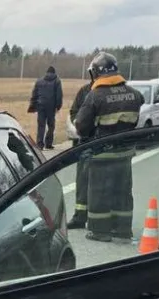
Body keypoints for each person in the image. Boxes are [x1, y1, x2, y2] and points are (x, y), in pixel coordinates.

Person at [73, 52, 144, 243]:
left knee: (99, 193)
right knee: (123, 192)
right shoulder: (134, 94)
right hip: (125, 154)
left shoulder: (95, 96)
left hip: (102, 154)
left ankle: (100, 231)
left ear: (96, 73)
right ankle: (122, 230)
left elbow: (81, 126)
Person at [66, 79, 95, 229]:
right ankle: (80, 216)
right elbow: (73, 112)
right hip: (85, 144)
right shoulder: (85, 91)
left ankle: (104, 221)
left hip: (106, 146)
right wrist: (80, 126)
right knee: (83, 182)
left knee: (106, 185)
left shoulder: (110, 92)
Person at [29, 66, 63, 150]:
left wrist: (33, 105)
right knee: (51, 125)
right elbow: (59, 95)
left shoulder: (39, 81)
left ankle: (40, 144)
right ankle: (48, 143)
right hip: (51, 107)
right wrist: (58, 106)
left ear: (46, 72)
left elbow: (34, 94)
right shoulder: (57, 81)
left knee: (41, 125)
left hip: (40, 105)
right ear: (54, 73)